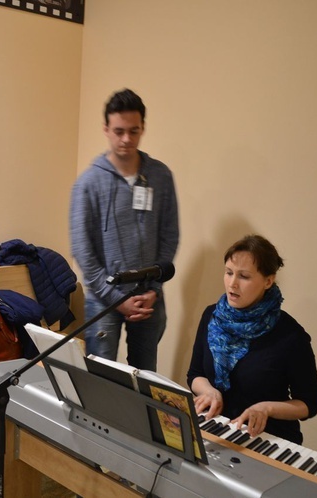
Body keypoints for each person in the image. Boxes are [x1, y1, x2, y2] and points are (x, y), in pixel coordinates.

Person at [70, 88, 179, 371]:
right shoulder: (88, 183)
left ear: (143, 128)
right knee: (102, 378)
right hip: (104, 299)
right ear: (106, 129)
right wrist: (118, 300)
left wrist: (154, 287)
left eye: (134, 131)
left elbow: (170, 234)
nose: (126, 139)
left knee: (146, 381)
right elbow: (83, 250)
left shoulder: (160, 176)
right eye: (119, 131)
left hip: (149, 297)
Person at [187, 235, 317, 444]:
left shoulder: (291, 335)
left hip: (267, 439)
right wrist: (210, 392)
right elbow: (195, 374)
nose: (232, 284)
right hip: (216, 428)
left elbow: (309, 404)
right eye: (229, 273)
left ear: (268, 281)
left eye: (244, 277)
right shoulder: (211, 315)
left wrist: (266, 408)